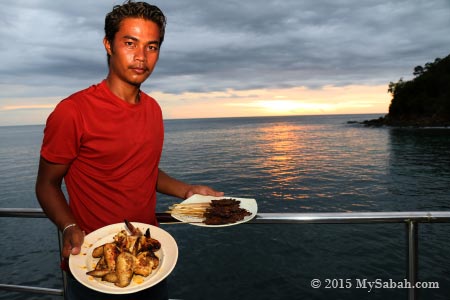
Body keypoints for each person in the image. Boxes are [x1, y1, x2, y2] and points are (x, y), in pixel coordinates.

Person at [35, 1, 223, 299]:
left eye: (152, 46)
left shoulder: (153, 109)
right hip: (92, 263)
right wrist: (68, 225)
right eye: (130, 43)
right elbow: (46, 184)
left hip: (148, 256)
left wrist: (187, 191)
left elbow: (143, 169)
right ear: (108, 45)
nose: (141, 57)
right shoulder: (73, 112)